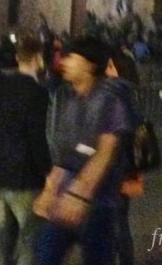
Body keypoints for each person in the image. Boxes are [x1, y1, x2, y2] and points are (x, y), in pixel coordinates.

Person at [34, 35, 128, 265]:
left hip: (97, 203)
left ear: (89, 65)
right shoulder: (72, 99)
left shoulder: (110, 101)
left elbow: (105, 153)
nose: (64, 62)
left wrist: (79, 194)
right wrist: (50, 188)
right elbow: (65, 155)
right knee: (44, 257)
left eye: (71, 57)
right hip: (65, 199)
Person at [0, 33, 51, 265]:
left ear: (17, 58)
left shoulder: (0, 87)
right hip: (24, 177)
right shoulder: (37, 93)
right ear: (38, 58)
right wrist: (47, 172)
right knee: (29, 239)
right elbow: (36, 137)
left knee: (2, 236)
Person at [104, 50, 143, 265]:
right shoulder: (126, 97)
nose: (106, 71)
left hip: (118, 170)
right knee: (117, 222)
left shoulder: (119, 99)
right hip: (120, 169)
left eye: (111, 67)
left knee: (118, 223)